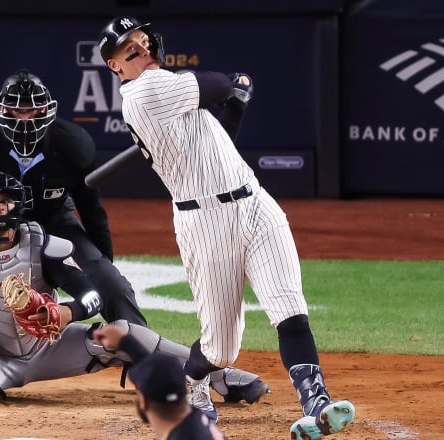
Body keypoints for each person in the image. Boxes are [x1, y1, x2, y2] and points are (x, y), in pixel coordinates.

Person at [0, 69, 269, 408]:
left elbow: (90, 207)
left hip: (52, 221)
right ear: (0, 111)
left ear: (47, 112)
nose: (24, 118)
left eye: (31, 110)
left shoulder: (73, 145)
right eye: (15, 110)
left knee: (108, 281)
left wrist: (101, 261)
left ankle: (143, 365)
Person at [97, 16, 356, 439]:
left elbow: (218, 147)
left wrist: (235, 105)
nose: (143, 52)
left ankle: (317, 401)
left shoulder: (169, 92)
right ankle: (192, 379)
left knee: (290, 309)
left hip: (255, 204)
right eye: (131, 51)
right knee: (220, 349)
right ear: (116, 67)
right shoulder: (144, 90)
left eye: (145, 43)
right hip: (204, 223)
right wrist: (234, 84)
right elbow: (215, 83)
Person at [0, 171, 256, 413]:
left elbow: (91, 294)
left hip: (47, 348)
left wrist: (68, 312)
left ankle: (218, 375)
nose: (1, 209)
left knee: (123, 333)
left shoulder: (43, 246)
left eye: (7, 203)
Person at [93, 324, 226, 440]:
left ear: (144, 402)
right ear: (185, 391)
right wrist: (125, 343)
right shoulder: (195, 420)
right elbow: (160, 372)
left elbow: (159, 373)